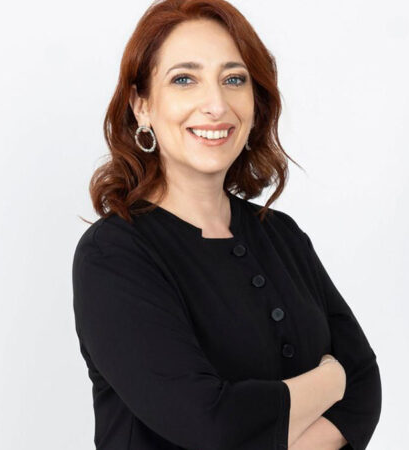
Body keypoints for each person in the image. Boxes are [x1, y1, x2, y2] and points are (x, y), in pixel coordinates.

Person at [72, 0, 382, 449]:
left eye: (234, 79)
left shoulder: (282, 235)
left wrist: (342, 385)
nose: (216, 105)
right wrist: (331, 380)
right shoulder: (114, 255)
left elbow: (364, 387)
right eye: (184, 79)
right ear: (142, 105)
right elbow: (209, 424)